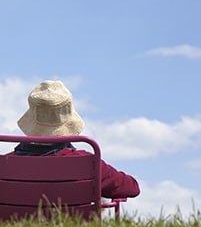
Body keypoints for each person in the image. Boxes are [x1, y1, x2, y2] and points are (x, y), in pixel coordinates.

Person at [12, 80, 140, 199]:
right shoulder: (86, 162)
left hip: (14, 221)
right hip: (70, 222)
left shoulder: (6, 163)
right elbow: (132, 188)